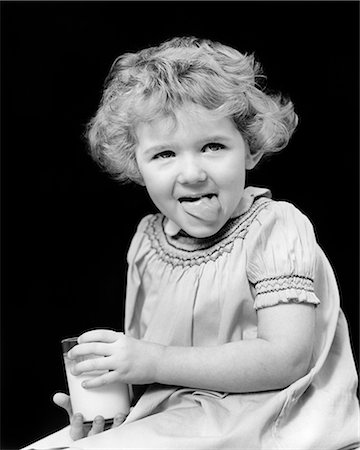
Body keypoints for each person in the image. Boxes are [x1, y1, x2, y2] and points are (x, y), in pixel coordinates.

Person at [37, 37, 359, 449]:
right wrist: (113, 413)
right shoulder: (148, 244)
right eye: (164, 154)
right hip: (181, 420)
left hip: (270, 422)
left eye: (212, 146)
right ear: (136, 165)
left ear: (251, 150)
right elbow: (152, 373)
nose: (190, 173)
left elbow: (286, 360)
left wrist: (150, 359)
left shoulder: (276, 227)